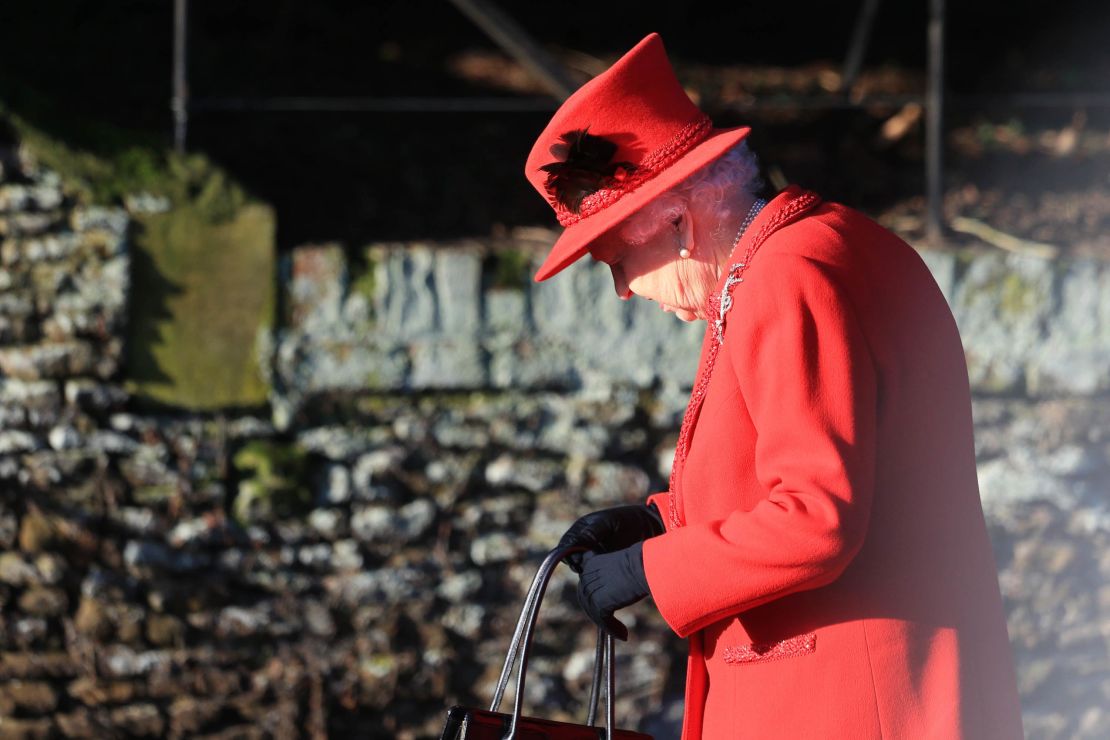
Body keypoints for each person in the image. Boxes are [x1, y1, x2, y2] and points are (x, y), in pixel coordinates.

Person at [523, 32, 1024, 739]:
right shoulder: (828, 244)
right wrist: (661, 521)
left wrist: (652, 569)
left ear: (678, 222)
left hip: (843, 704)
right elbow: (831, 469)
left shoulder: (787, 278)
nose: (622, 291)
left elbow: (816, 517)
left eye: (616, 258)